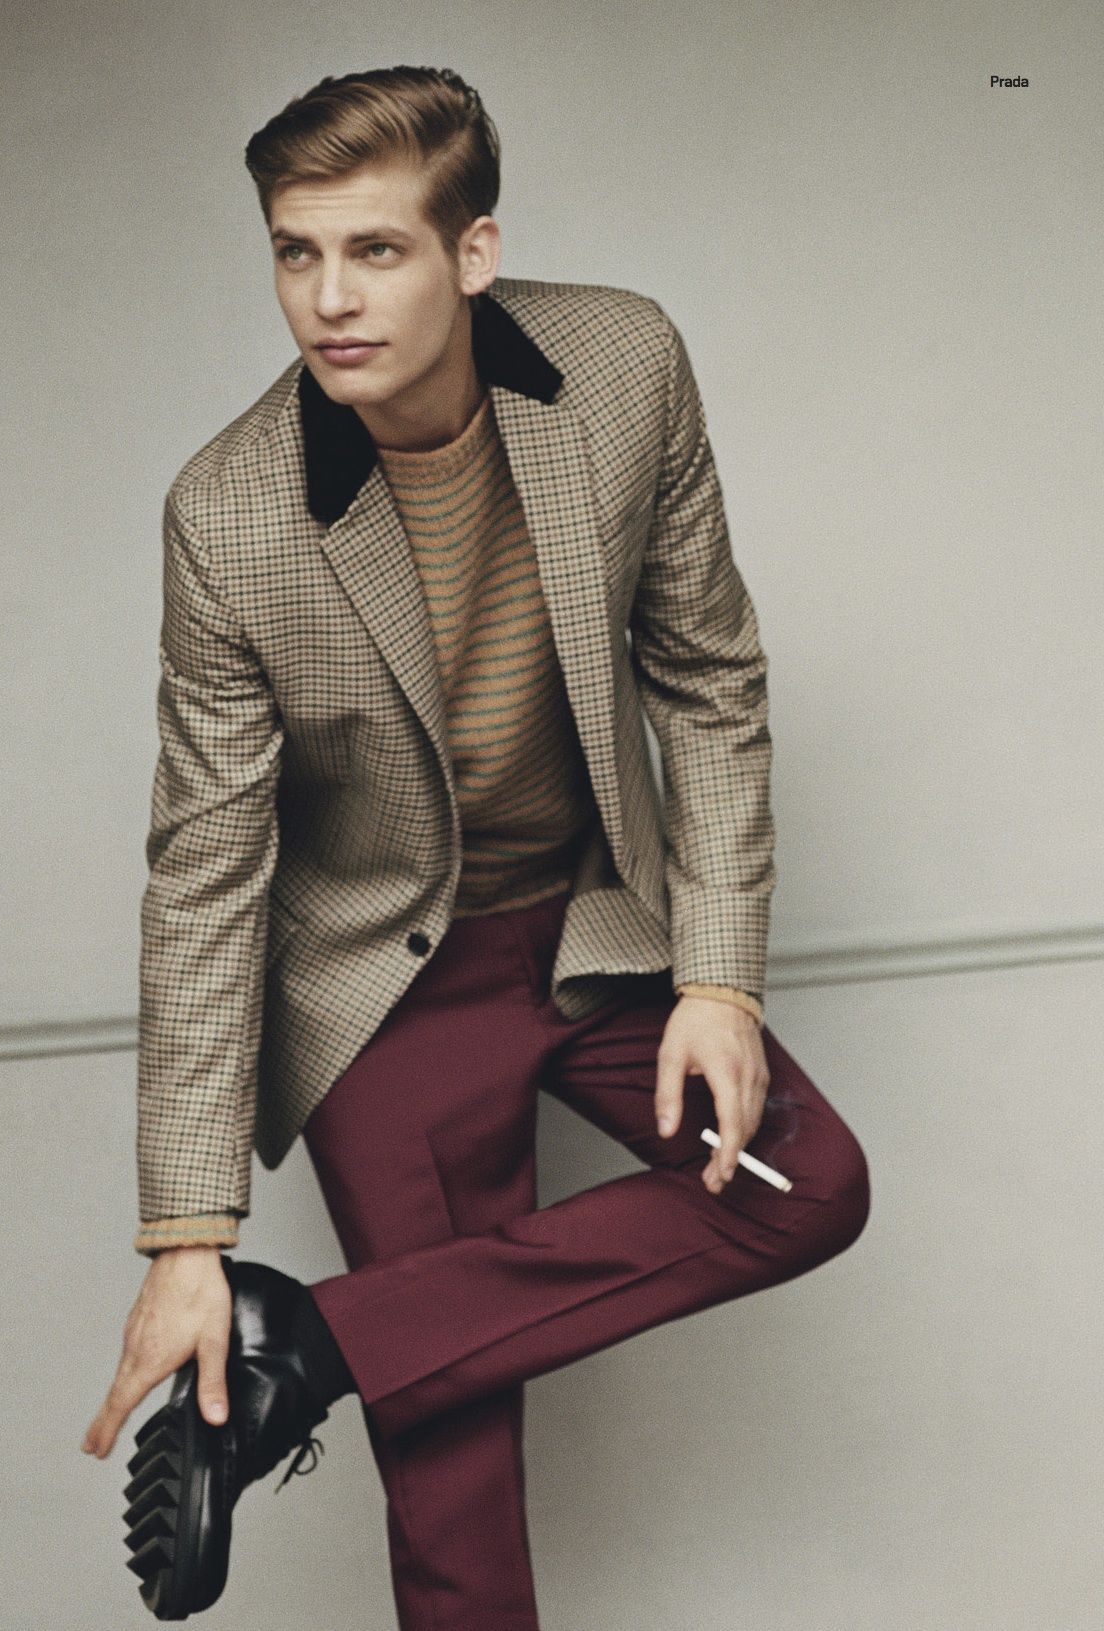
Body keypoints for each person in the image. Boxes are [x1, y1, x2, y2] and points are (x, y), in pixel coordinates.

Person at [81, 64, 871, 1628]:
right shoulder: (229, 516)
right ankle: (332, 1345)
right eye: (297, 253)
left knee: (805, 1188)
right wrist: (188, 1235)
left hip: (593, 932)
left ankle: (316, 1343)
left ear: (474, 252)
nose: (328, 299)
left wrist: (718, 982)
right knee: (451, 1471)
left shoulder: (624, 366)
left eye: (374, 250)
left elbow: (708, 679)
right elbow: (204, 877)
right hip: (386, 993)